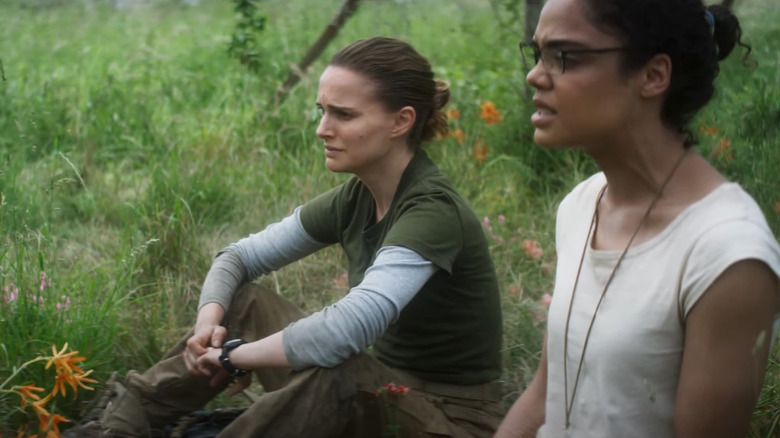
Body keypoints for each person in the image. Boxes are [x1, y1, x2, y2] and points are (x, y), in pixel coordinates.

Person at [65, 37, 505, 438]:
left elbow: (351, 328)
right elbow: (237, 258)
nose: (322, 129)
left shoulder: (432, 210)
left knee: (341, 373)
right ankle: (115, 428)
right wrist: (208, 329)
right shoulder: (356, 197)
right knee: (244, 301)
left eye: (344, 115)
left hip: (447, 418)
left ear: (401, 121)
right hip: (378, 386)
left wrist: (235, 357)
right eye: (322, 111)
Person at [495, 1, 780, 437]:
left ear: (653, 75)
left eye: (564, 57)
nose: (535, 75)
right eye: (536, 54)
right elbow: (544, 395)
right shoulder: (582, 204)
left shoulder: (727, 255)